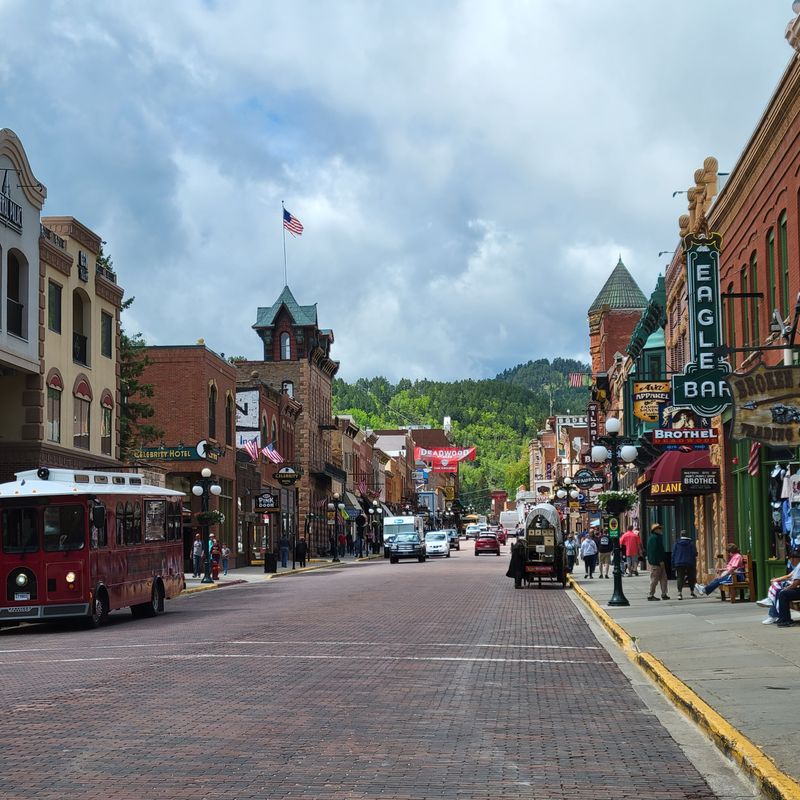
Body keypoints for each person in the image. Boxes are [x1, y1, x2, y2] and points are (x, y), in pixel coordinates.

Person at [772, 550, 800, 627]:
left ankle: (785, 620)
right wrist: (777, 580)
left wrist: (786, 589)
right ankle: (780, 617)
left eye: (792, 559)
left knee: (783, 594)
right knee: (780, 591)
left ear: (795, 559)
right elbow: (789, 576)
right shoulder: (798, 566)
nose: (791, 561)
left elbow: (796, 583)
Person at [672, 531, 697, 600]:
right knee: (691, 577)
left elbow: (673, 554)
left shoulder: (676, 543)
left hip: (679, 563)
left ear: (681, 535)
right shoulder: (691, 543)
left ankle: (679, 593)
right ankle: (692, 592)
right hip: (690, 563)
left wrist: (673, 564)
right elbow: (695, 553)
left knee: (680, 577)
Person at [647, 523, 670, 600]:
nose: (661, 530)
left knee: (663, 578)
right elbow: (655, 551)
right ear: (656, 530)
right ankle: (651, 595)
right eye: (659, 529)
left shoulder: (656, 538)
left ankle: (664, 593)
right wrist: (660, 560)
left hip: (658, 562)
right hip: (656, 562)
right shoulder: (654, 538)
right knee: (655, 579)